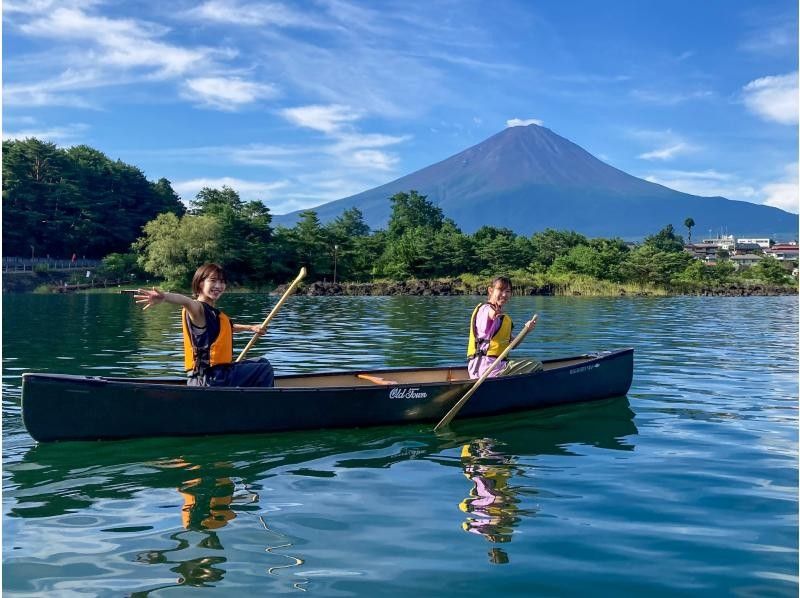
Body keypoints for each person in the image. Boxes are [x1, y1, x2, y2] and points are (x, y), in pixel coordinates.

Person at [134, 263, 275, 387]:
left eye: (222, 282)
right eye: (213, 281)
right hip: (210, 379)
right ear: (200, 283)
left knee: (261, 362)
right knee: (264, 369)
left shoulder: (213, 314)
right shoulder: (198, 309)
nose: (218, 286)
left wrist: (251, 328)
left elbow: (227, 328)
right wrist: (164, 297)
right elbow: (186, 301)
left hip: (217, 376)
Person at [466, 276, 540, 379]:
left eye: (508, 291)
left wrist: (526, 330)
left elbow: (512, 345)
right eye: (500, 290)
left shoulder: (502, 318)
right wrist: (494, 314)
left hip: (494, 367)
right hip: (486, 370)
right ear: (490, 290)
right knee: (536, 364)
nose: (504, 295)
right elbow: (489, 314)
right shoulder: (485, 309)